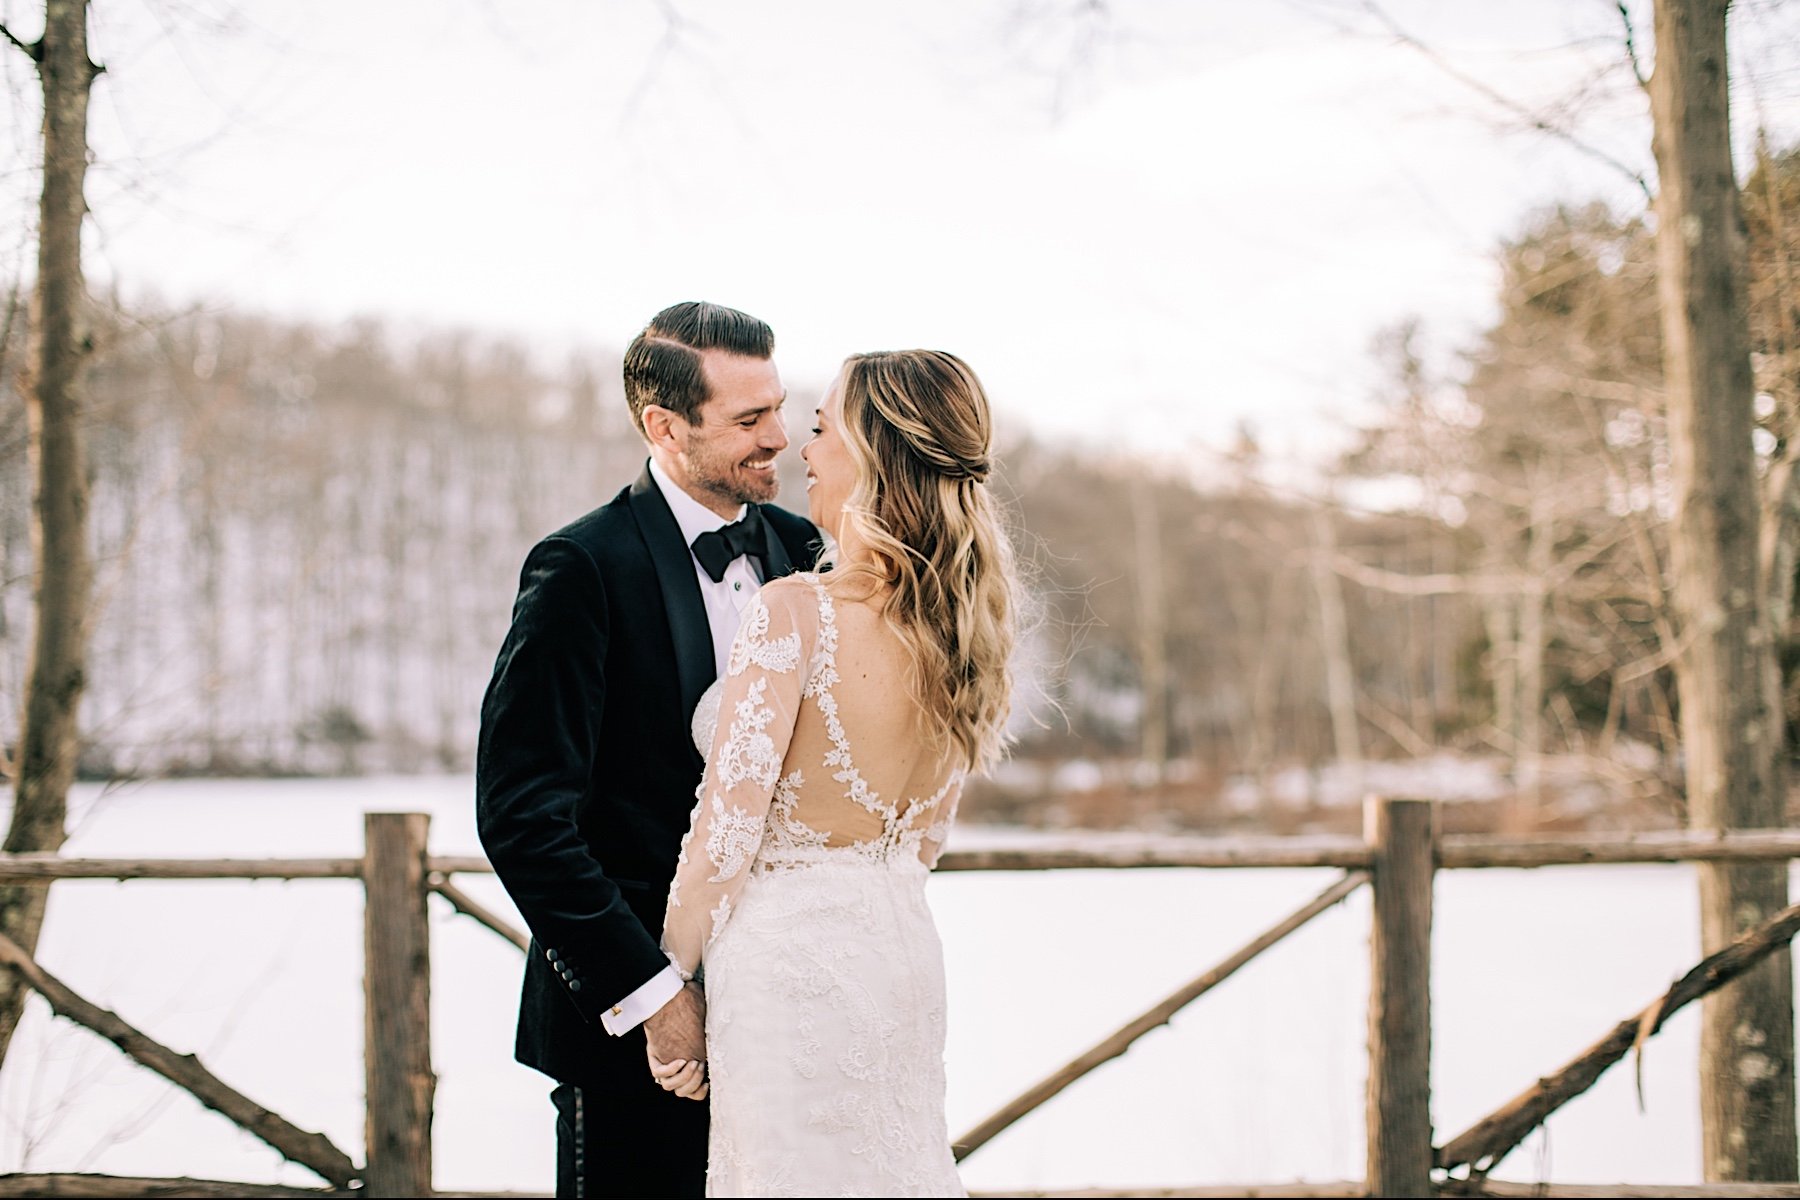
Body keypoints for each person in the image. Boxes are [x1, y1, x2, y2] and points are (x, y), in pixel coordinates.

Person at [648, 350, 1020, 1197]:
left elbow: (725, 831)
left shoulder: (793, 611)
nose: (802, 452)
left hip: (787, 972)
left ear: (873, 455)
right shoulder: (963, 631)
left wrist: (673, 984)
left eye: (820, 429)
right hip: (899, 952)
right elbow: (923, 841)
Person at [475, 301, 822, 1198]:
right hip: (632, 1034)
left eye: (779, 408)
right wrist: (653, 997)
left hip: (791, 1008)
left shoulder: (805, 550)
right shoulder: (581, 569)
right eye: (749, 420)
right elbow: (522, 819)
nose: (779, 437)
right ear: (664, 426)